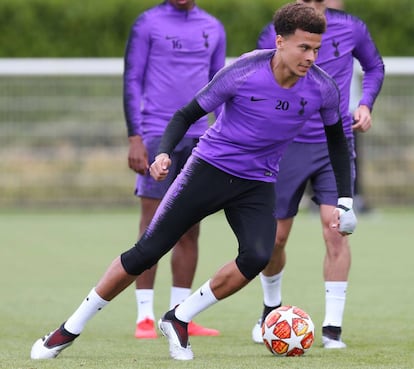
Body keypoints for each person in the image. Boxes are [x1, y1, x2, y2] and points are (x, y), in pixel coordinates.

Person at [30, 2, 357, 361]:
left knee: (257, 256)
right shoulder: (244, 71)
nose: (311, 57)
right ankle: (67, 330)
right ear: (280, 42)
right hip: (209, 169)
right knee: (147, 252)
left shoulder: (323, 89)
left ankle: (179, 317)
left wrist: (345, 200)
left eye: (317, 49)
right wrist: (163, 153)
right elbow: (186, 114)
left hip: (258, 182)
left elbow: (338, 142)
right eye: (304, 47)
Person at [251, 0, 384, 348]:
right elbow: (259, 76)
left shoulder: (353, 26)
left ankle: (332, 329)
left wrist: (366, 103)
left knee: (336, 230)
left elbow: (374, 66)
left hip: (333, 146)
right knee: (275, 239)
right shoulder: (277, 30)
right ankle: (270, 309)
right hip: (286, 146)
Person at [124, 0, 226, 338]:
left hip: (200, 138)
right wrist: (135, 137)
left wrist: (220, 134)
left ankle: (180, 313)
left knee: (189, 228)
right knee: (152, 226)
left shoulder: (213, 27)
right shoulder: (147, 23)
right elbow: (132, 79)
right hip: (155, 134)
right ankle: (144, 317)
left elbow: (218, 87)